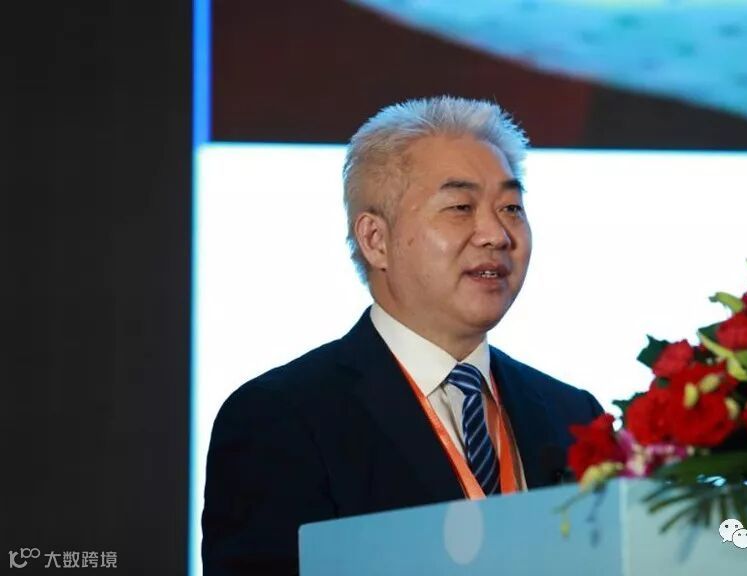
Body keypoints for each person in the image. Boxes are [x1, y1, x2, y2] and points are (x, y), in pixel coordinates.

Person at [201, 96, 603, 575]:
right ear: (375, 240)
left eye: (511, 207)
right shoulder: (281, 419)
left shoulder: (572, 414)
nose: (496, 234)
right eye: (460, 207)